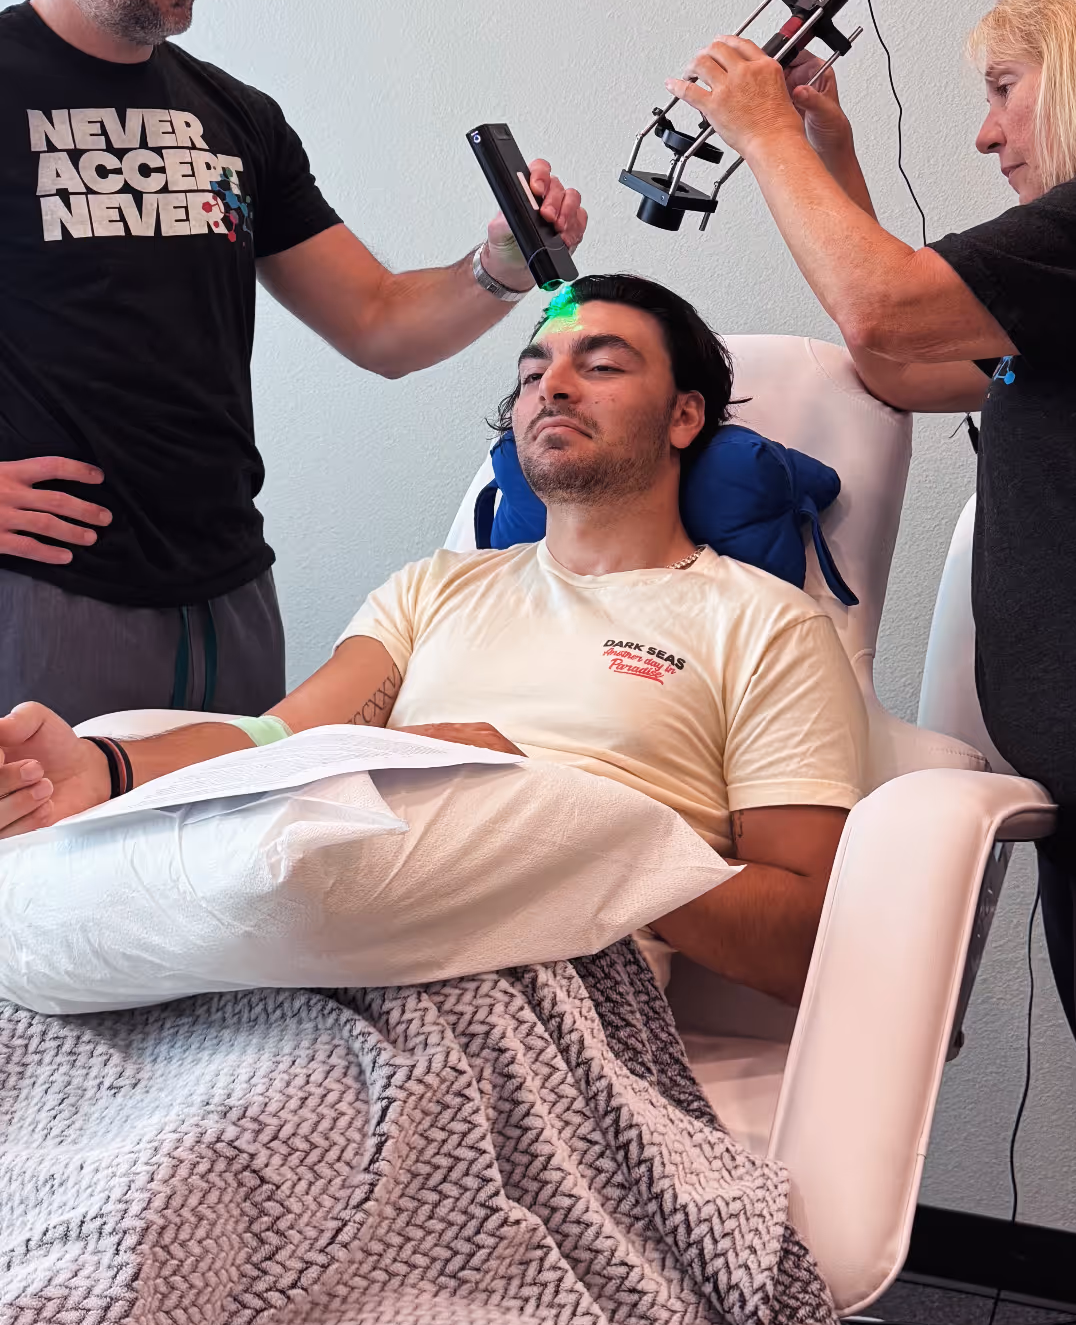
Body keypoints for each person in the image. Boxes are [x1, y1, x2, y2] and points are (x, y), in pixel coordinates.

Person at [668, 0, 1076, 1325]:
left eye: (1005, 89)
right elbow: (905, 363)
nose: (987, 132)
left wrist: (760, 130)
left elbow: (885, 316)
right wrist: (826, 154)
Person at [0, 272, 867, 1004]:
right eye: (533, 373)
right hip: (322, 956)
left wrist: (567, 826)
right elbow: (277, 740)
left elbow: (803, 939)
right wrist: (101, 769)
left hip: (549, 979)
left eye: (601, 366)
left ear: (684, 418)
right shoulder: (436, 588)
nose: (554, 388)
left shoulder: (765, 623)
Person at [0, 0, 585, 727]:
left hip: (230, 593)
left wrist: (501, 268)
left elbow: (379, 323)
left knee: (248, 830)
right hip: (48, 597)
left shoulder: (236, 117)